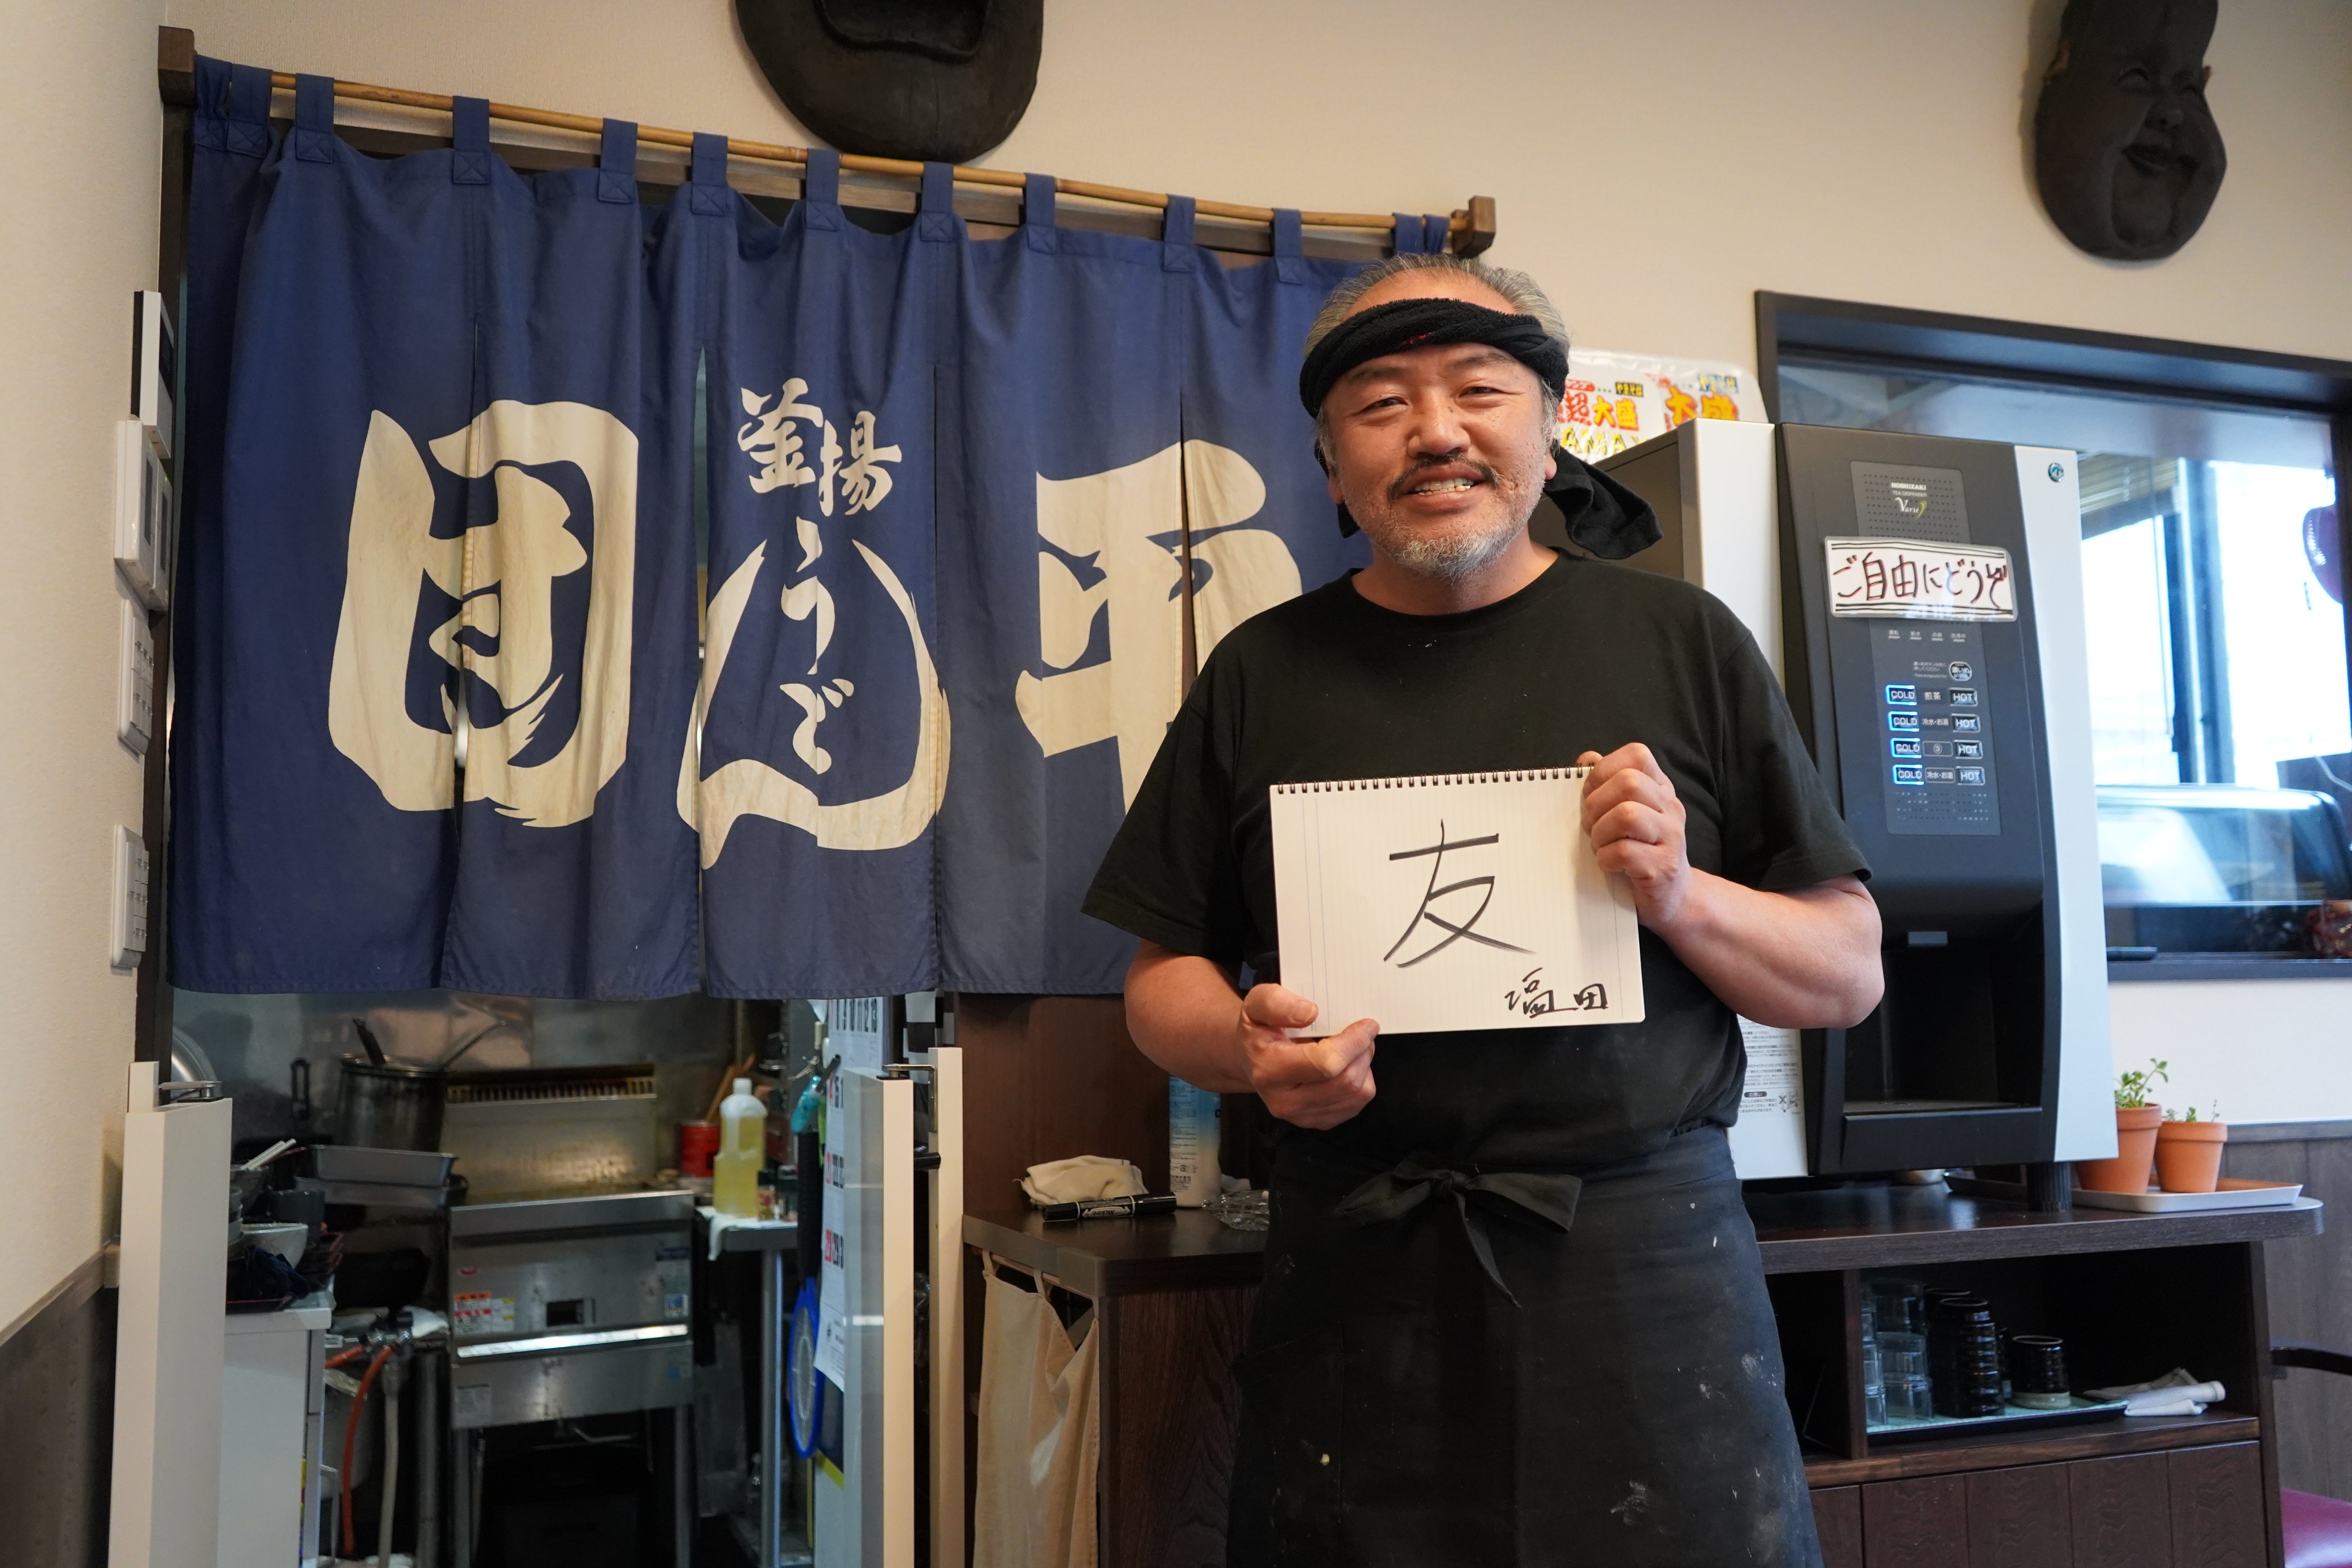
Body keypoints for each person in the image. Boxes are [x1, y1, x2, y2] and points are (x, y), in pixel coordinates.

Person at [1082, 251, 1885, 1567]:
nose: (1436, 431)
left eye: (1478, 389)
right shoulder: (1261, 672)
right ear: (1331, 462)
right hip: (1359, 1275)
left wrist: (1679, 893)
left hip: (1647, 1269)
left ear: (1550, 426)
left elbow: (1846, 973)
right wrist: (1249, 1049)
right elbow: (1160, 978)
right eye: (1382, 403)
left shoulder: (1683, 644)